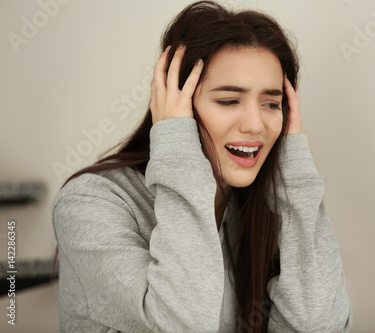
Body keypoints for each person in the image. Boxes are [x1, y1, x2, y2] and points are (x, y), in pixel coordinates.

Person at [52, 1, 352, 332]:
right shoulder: (89, 202)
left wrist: (295, 179)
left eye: (271, 103)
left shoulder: (256, 207)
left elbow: (319, 326)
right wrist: (176, 147)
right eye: (228, 100)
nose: (255, 125)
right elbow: (182, 325)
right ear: (174, 105)